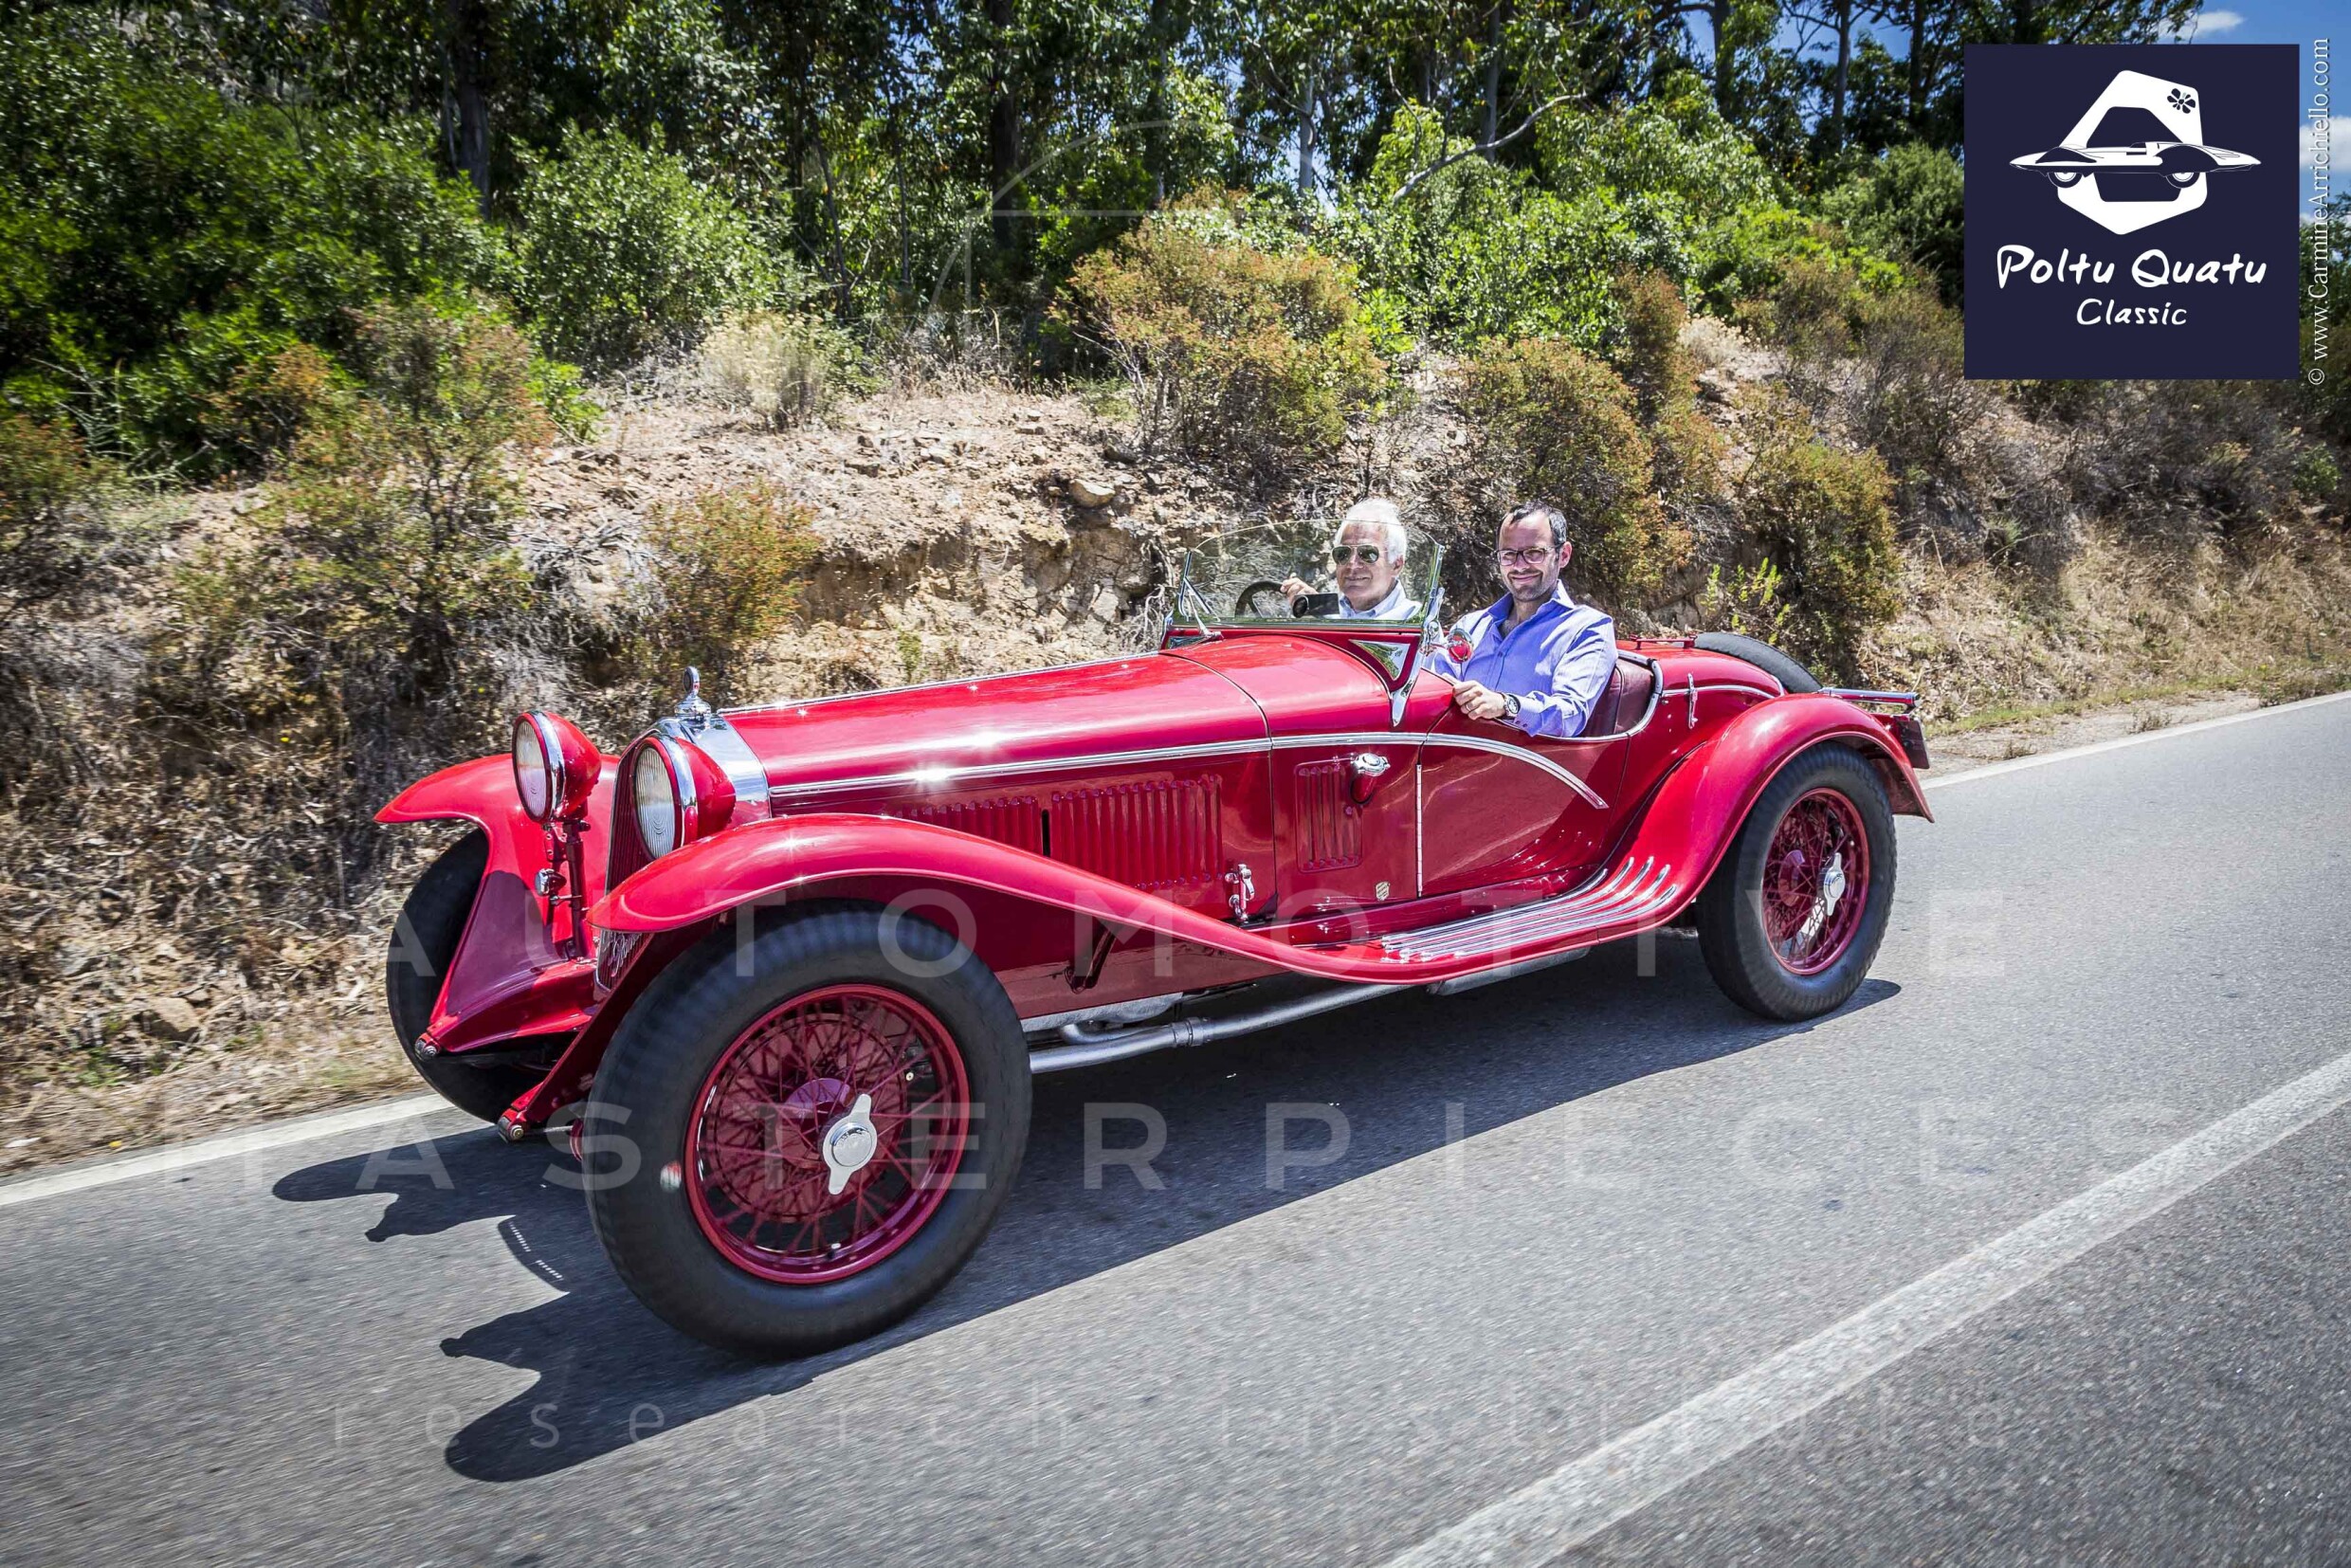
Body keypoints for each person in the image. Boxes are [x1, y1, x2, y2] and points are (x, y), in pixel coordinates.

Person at [1428, 502, 1618, 739]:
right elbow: (1433, 689)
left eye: (1534, 553)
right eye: (1508, 555)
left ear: (1563, 555)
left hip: (1525, 761)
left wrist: (1505, 705)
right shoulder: (1470, 626)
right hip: (1450, 755)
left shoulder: (1587, 628)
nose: (1519, 566)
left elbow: (1570, 715)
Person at [1280, 498, 1419, 620]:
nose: (1352, 564)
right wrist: (1312, 605)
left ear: (1396, 565)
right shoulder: (1327, 610)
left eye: (1368, 554)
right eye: (1343, 553)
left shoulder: (1417, 620)